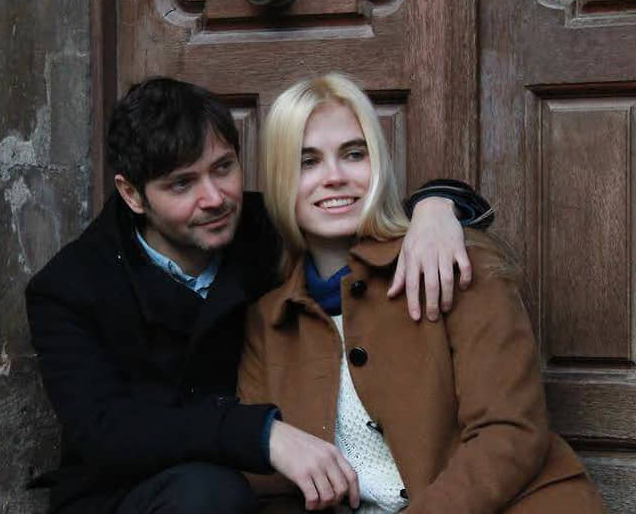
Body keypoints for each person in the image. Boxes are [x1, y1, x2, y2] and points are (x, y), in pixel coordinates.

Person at [25, 77, 492, 514]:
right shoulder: (68, 287)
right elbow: (105, 432)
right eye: (182, 184)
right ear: (132, 195)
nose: (214, 198)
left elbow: (363, 212)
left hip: (268, 487)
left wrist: (436, 207)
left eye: (223, 168)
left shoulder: (264, 230)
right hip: (125, 496)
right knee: (207, 494)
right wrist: (263, 435)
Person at [238, 73, 606, 513]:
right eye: (307, 162)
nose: (334, 177)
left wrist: (437, 204)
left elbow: (509, 433)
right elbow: (270, 484)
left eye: (354, 154)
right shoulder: (268, 320)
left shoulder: (455, 259)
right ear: (280, 179)